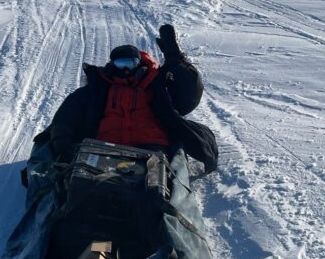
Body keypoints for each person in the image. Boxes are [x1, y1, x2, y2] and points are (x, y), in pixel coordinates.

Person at [39, 24, 218, 173]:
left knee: (154, 188)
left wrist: (176, 60)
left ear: (138, 64)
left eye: (130, 64)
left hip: (150, 146)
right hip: (104, 145)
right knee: (87, 184)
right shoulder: (101, 86)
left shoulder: (156, 85)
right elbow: (71, 109)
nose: (125, 69)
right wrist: (61, 136)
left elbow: (189, 94)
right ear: (112, 65)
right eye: (120, 64)